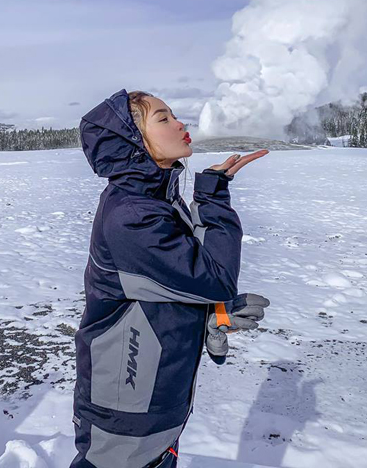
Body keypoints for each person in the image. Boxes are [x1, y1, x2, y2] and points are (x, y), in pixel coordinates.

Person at [69, 87, 270, 468]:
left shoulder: (154, 199)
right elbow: (214, 277)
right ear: (133, 139)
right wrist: (213, 198)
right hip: (126, 409)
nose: (181, 124)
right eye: (163, 118)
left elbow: (170, 286)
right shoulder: (132, 215)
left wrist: (211, 313)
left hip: (156, 402)